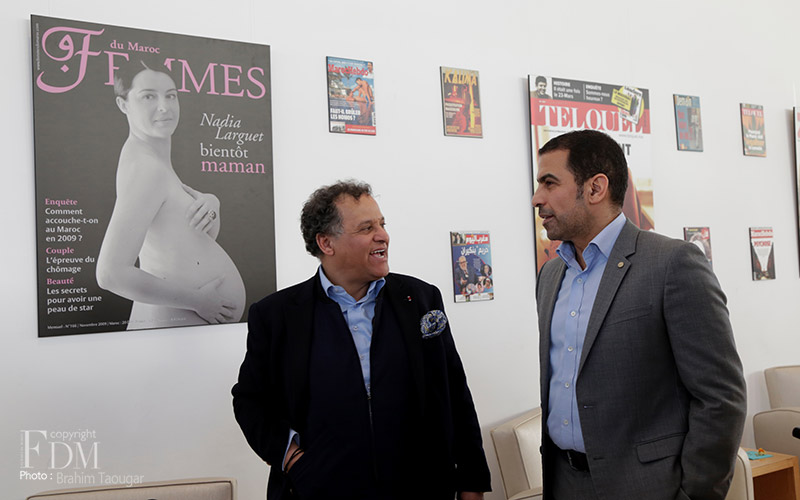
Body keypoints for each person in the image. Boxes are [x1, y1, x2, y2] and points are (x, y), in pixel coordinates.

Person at [232, 180, 490, 500]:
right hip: (319, 492)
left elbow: (454, 390)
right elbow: (250, 400)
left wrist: (472, 481)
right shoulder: (277, 315)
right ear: (326, 243)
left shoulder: (421, 299)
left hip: (421, 488)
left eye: (382, 224)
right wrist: (291, 457)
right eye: (367, 228)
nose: (383, 236)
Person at [531, 129, 746, 500]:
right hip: (563, 482)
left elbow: (720, 397)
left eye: (549, 183)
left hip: (648, 487)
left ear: (595, 188)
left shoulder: (672, 264)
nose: (537, 198)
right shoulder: (551, 274)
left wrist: (695, 494)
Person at [96, 58, 245, 330]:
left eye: (171, 95)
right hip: (170, 333)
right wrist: (198, 301)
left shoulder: (153, 162)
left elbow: (182, 245)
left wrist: (211, 203)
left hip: (178, 334)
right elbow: (110, 273)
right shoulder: (146, 168)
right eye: (148, 96)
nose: (164, 106)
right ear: (123, 104)